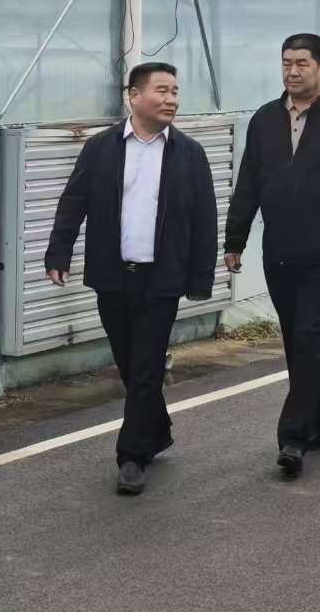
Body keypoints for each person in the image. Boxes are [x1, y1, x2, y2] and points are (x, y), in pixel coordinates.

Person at [47, 62, 219, 496]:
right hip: (112, 275)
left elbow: (205, 219)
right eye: (162, 90)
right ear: (134, 96)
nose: (171, 99)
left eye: (175, 91)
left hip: (161, 279)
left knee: (146, 368)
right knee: (129, 364)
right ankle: (156, 430)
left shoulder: (189, 153)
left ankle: (131, 456)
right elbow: (74, 200)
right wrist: (59, 251)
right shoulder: (101, 148)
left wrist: (201, 278)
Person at [225, 34, 320, 479]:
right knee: (298, 342)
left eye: (302, 63)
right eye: (286, 63)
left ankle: (293, 437)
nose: (293, 71)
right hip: (280, 254)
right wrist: (235, 240)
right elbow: (248, 182)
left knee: (309, 339)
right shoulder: (264, 119)